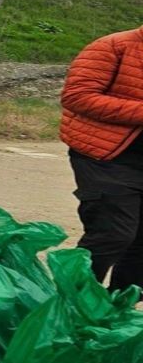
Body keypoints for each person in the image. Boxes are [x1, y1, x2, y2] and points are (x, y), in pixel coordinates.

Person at [59, 25, 143, 292]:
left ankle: (121, 305)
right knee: (113, 233)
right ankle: (72, 303)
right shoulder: (113, 46)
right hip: (106, 157)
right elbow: (77, 96)